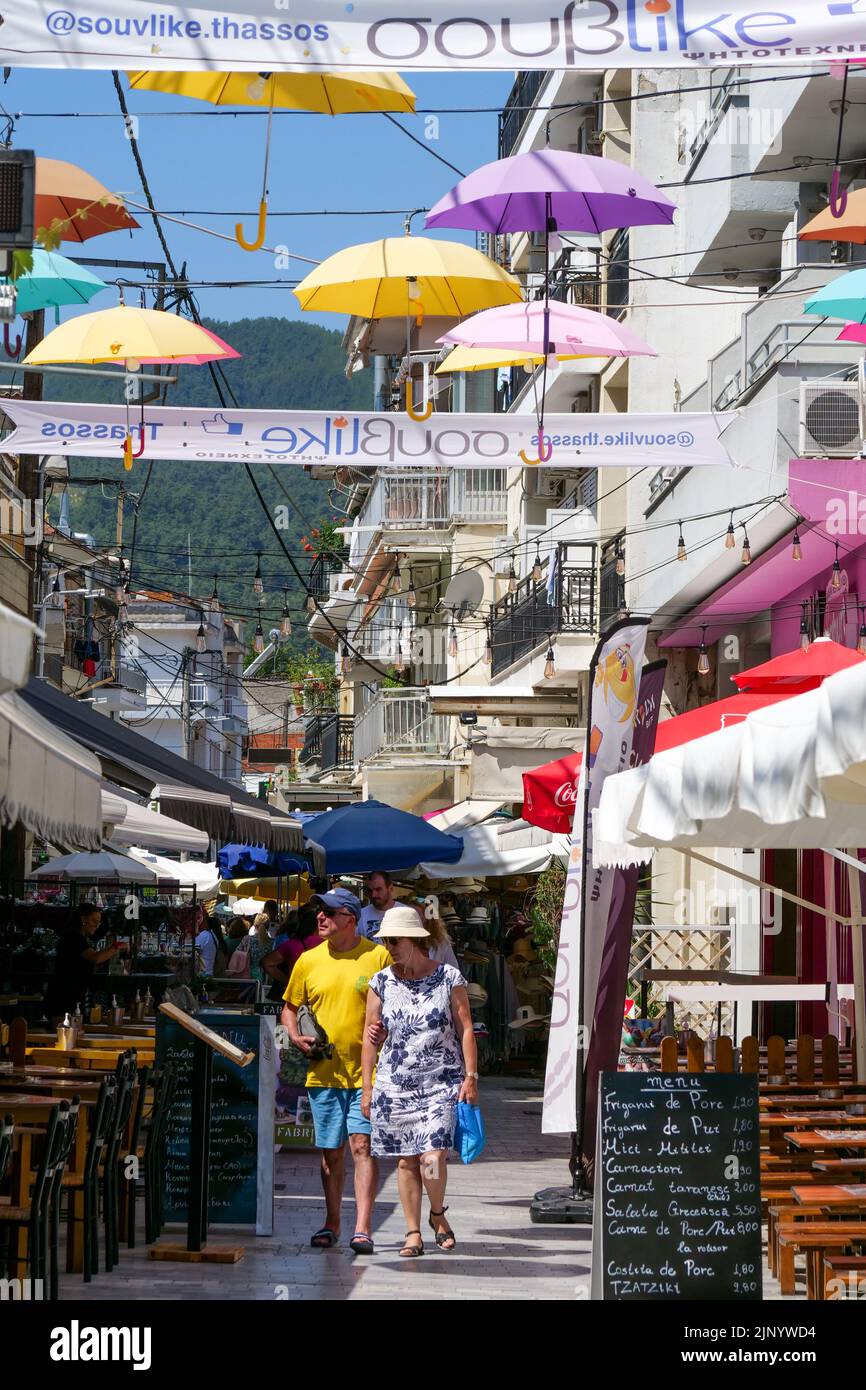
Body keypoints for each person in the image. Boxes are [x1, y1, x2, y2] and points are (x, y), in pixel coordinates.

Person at [361, 904, 478, 1258]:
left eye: (394, 941)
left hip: (441, 1082)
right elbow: (369, 1038)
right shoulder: (380, 982)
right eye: (386, 942)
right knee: (405, 1160)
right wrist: (367, 1087)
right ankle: (413, 1232)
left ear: (414, 940)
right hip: (395, 1084)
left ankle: (437, 1213)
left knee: (433, 1156)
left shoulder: (448, 978)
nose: (389, 948)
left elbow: (466, 1027)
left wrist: (471, 1075)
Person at [283, 887, 391, 1254]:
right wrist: (295, 1035)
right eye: (319, 911)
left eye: (329, 912)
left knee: (362, 1146)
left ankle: (362, 1228)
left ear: (350, 917)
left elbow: (395, 1006)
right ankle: (331, 1223)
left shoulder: (378, 957)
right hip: (323, 1073)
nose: (320, 917)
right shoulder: (308, 960)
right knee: (330, 1154)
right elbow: (289, 1006)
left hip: (368, 1075)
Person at [45, 903, 128, 1021]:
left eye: (99, 922)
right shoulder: (74, 937)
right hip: (64, 996)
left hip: (72, 995)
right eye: (94, 921)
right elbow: (95, 958)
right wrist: (116, 947)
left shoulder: (80, 938)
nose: (97, 925)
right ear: (83, 919)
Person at [409, 901, 459, 969]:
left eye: (418, 918)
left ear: (428, 922)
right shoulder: (399, 944)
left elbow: (454, 969)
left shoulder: (441, 943)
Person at [357, 871, 396, 940]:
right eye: (370, 890)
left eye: (378, 889)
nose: (373, 895)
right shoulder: (360, 915)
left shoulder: (407, 913)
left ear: (390, 888)